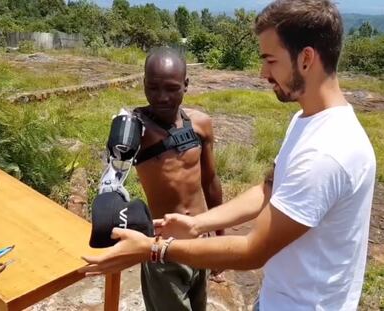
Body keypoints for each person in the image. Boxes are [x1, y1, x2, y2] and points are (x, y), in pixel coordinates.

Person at [80, 1, 376, 310]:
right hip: (281, 297)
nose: (263, 72)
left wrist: (154, 249)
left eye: (270, 60)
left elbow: (252, 251)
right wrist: (197, 224)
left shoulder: (327, 152)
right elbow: (267, 191)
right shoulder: (306, 121)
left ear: (305, 59)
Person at [97, 47, 225, 311]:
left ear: (186, 85)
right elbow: (111, 184)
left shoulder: (200, 124)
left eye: (171, 88)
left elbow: (211, 182)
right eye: (153, 87)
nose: (162, 97)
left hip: (200, 239)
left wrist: (220, 237)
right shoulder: (134, 130)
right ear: (144, 83)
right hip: (162, 247)